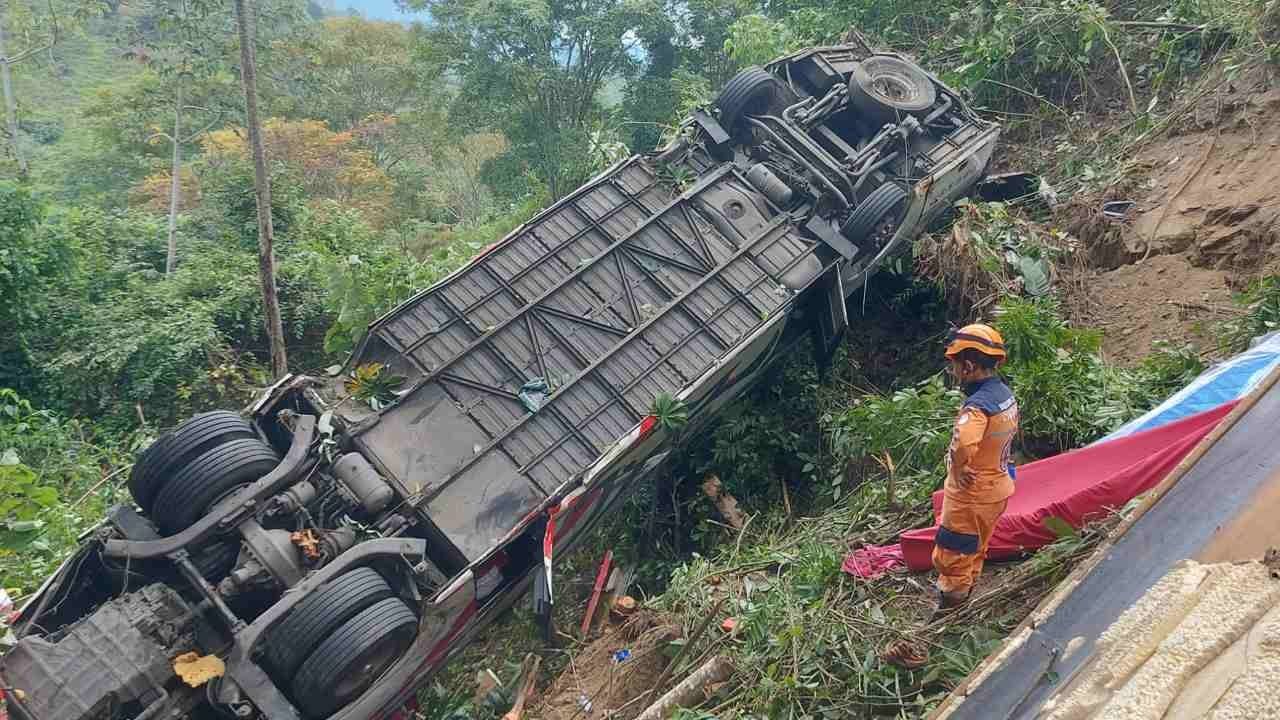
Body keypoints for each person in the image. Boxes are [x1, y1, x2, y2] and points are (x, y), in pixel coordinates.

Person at [932, 323, 1019, 616]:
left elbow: (964, 443)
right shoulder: (1004, 395)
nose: (954, 371)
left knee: (953, 555)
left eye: (955, 365)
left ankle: (948, 616)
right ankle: (965, 596)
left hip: (971, 496)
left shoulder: (977, 408)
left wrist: (961, 466)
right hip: (997, 489)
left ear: (968, 366)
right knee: (975, 549)